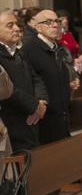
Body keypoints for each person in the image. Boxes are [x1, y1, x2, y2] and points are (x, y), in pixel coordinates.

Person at [21, 8, 72, 144]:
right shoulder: (29, 50)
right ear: (38, 27)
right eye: (48, 22)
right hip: (44, 120)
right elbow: (29, 82)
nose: (55, 25)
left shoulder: (57, 47)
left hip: (62, 116)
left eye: (56, 21)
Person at [0, 10, 48, 151]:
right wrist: (34, 106)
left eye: (16, 24)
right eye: (10, 25)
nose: (16, 28)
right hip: (11, 122)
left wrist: (41, 101)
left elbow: (36, 79)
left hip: (31, 120)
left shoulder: (19, 52)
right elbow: (7, 90)